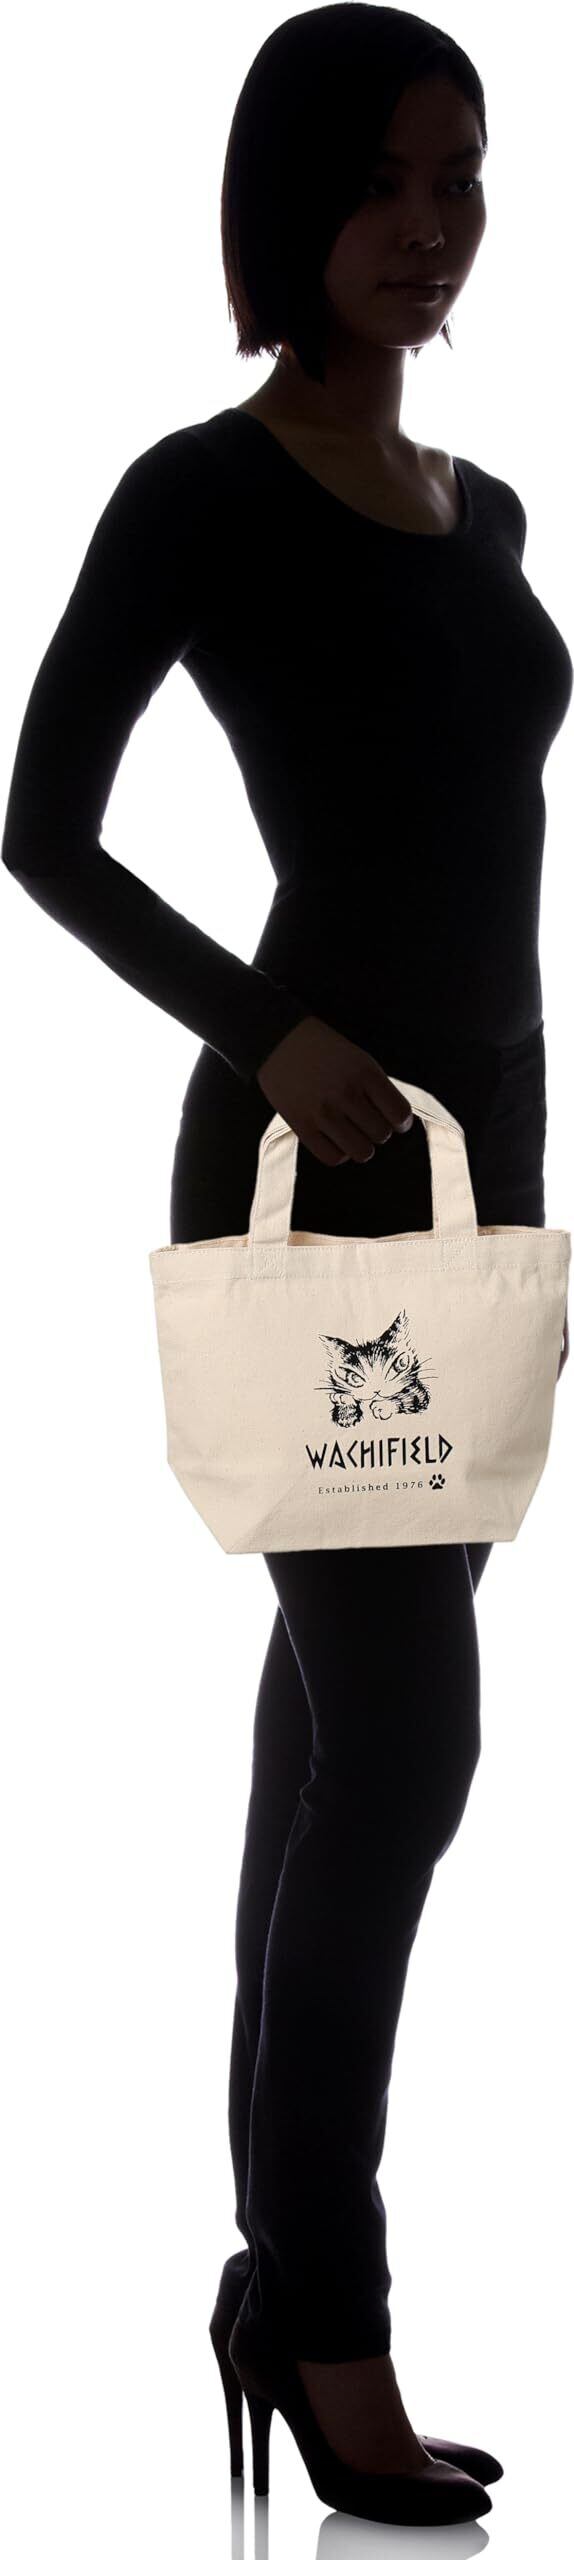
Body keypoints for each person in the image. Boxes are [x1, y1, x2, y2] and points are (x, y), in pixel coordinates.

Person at [2, 3, 571, 2523]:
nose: (427, 224)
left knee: (326, 1741)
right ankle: (325, 2309)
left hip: (479, 1182)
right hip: (308, 1164)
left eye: (461, 175)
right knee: (406, 1747)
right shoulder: (199, 490)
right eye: (381, 180)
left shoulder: (489, 509)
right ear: (287, 203)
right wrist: (271, 1030)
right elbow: (41, 822)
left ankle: (266, 2268)